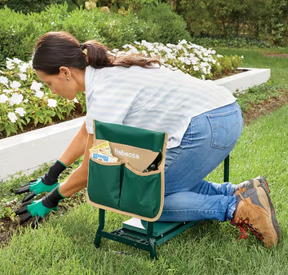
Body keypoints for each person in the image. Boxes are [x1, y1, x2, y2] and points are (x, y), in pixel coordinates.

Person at [15, 31, 280, 248]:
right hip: (223, 113)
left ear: (65, 72)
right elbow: (87, 131)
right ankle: (242, 191)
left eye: (49, 83)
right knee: (165, 185)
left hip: (207, 126)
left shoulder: (106, 90)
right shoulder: (104, 74)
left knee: (148, 202)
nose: (52, 90)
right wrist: (52, 176)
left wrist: (50, 200)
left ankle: (236, 208)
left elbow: (90, 168)